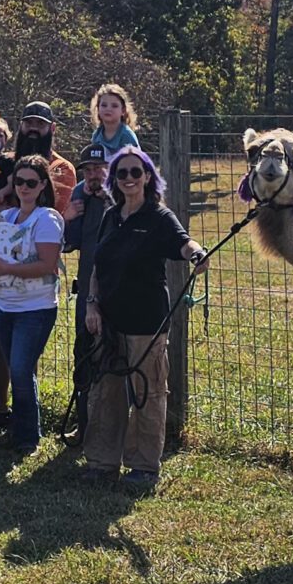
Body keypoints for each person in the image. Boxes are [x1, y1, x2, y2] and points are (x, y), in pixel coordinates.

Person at [81, 147, 208, 489]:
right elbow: (97, 266)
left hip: (146, 322)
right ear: (113, 180)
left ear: (148, 177)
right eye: (121, 174)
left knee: (147, 393)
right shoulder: (111, 216)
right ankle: (102, 461)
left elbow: (184, 244)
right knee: (105, 392)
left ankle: (143, 466)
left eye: (136, 173)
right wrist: (92, 305)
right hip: (108, 320)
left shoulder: (159, 217)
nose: (129, 179)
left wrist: (197, 253)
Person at [0, 155, 64, 455]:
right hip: (4, 304)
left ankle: (27, 437)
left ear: (42, 185)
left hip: (35, 307)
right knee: (19, 369)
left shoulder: (47, 219)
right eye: (19, 182)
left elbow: (47, 266)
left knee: (19, 369)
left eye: (31, 182)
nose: (24, 187)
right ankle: (23, 427)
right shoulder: (5, 218)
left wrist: (6, 269)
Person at [62, 144, 114, 437]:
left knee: (116, 355)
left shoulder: (123, 195)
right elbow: (69, 243)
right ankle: (83, 424)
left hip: (118, 290)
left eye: (99, 168)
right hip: (87, 292)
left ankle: (113, 428)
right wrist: (68, 217)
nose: (94, 175)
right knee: (83, 353)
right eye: (89, 170)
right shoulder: (80, 195)